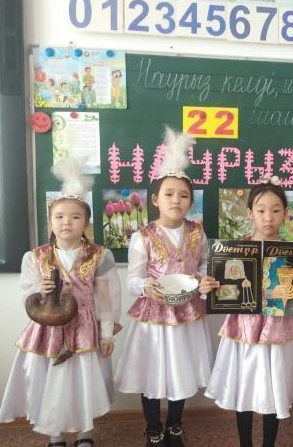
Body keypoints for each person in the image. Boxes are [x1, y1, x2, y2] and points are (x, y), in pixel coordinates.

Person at [0, 158, 121, 447]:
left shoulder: (100, 256)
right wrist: (38, 290)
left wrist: (106, 333)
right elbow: (27, 291)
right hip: (48, 329)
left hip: (85, 328)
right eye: (60, 216)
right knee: (50, 380)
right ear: (50, 221)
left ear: (86, 223)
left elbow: (106, 298)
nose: (67, 222)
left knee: (82, 381)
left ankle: (84, 433)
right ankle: (55, 434)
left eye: (76, 217)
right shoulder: (36, 256)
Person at [115, 128, 213, 447]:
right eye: (169, 194)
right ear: (155, 199)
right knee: (153, 372)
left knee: (180, 371)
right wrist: (145, 286)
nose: (176, 200)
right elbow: (132, 278)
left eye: (183, 195)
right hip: (154, 317)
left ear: (191, 201)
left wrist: (203, 281)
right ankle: (152, 426)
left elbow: (204, 265)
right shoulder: (142, 236)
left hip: (188, 313)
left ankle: (174, 424)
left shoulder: (197, 232)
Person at [200, 175, 293, 447]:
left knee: (275, 386)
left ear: (285, 213)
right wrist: (206, 287)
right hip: (244, 329)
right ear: (250, 213)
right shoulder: (233, 250)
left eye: (276, 210)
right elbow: (220, 287)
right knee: (244, 386)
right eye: (261, 210)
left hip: (278, 329)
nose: (268, 217)